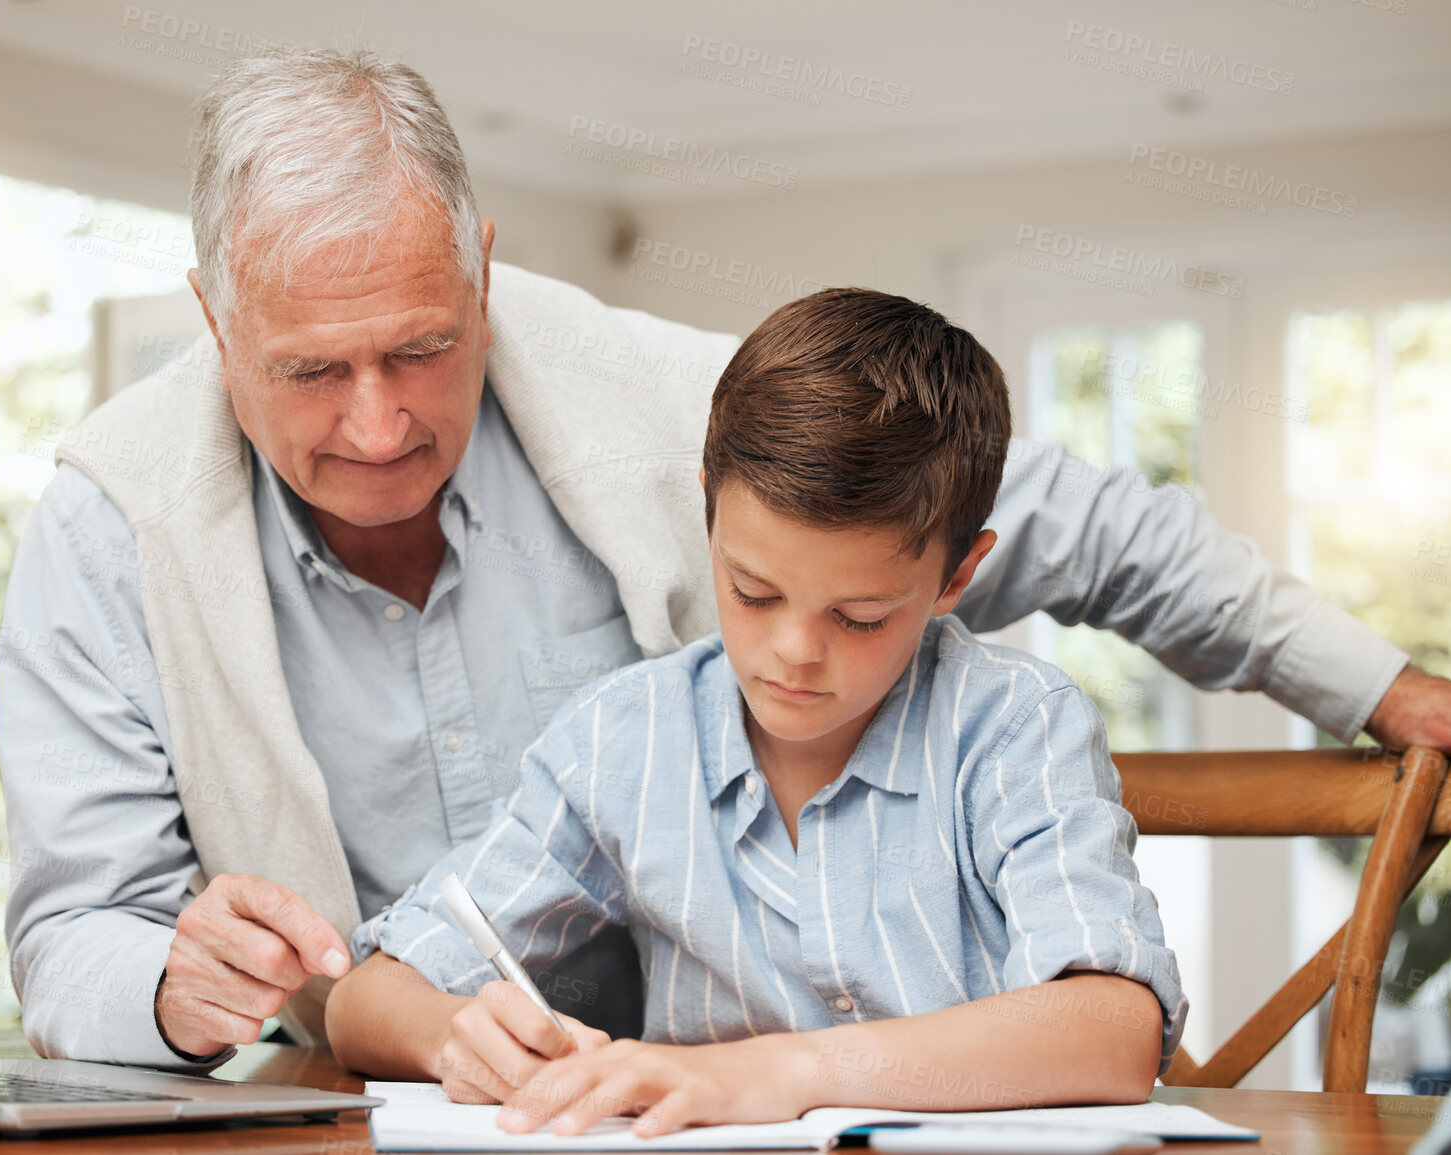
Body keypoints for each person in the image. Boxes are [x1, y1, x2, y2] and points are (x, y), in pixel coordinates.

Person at [0, 46, 1448, 1073]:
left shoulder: (652, 401)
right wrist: (184, 988)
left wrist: (1373, 680)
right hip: (418, 1103)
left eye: (423, 348)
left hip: (694, 1096)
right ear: (211, 318)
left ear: (483, 273)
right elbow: (75, 937)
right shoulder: (108, 525)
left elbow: (1059, 513)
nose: (378, 424)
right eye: (312, 370)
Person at [328, 288, 1180, 1133]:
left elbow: (1113, 1029)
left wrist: (785, 1069)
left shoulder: (1013, 726)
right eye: (753, 591)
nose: (795, 651)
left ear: (956, 575)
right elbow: (363, 1001)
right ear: (708, 507)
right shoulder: (625, 740)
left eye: (859, 616)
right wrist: (453, 1035)